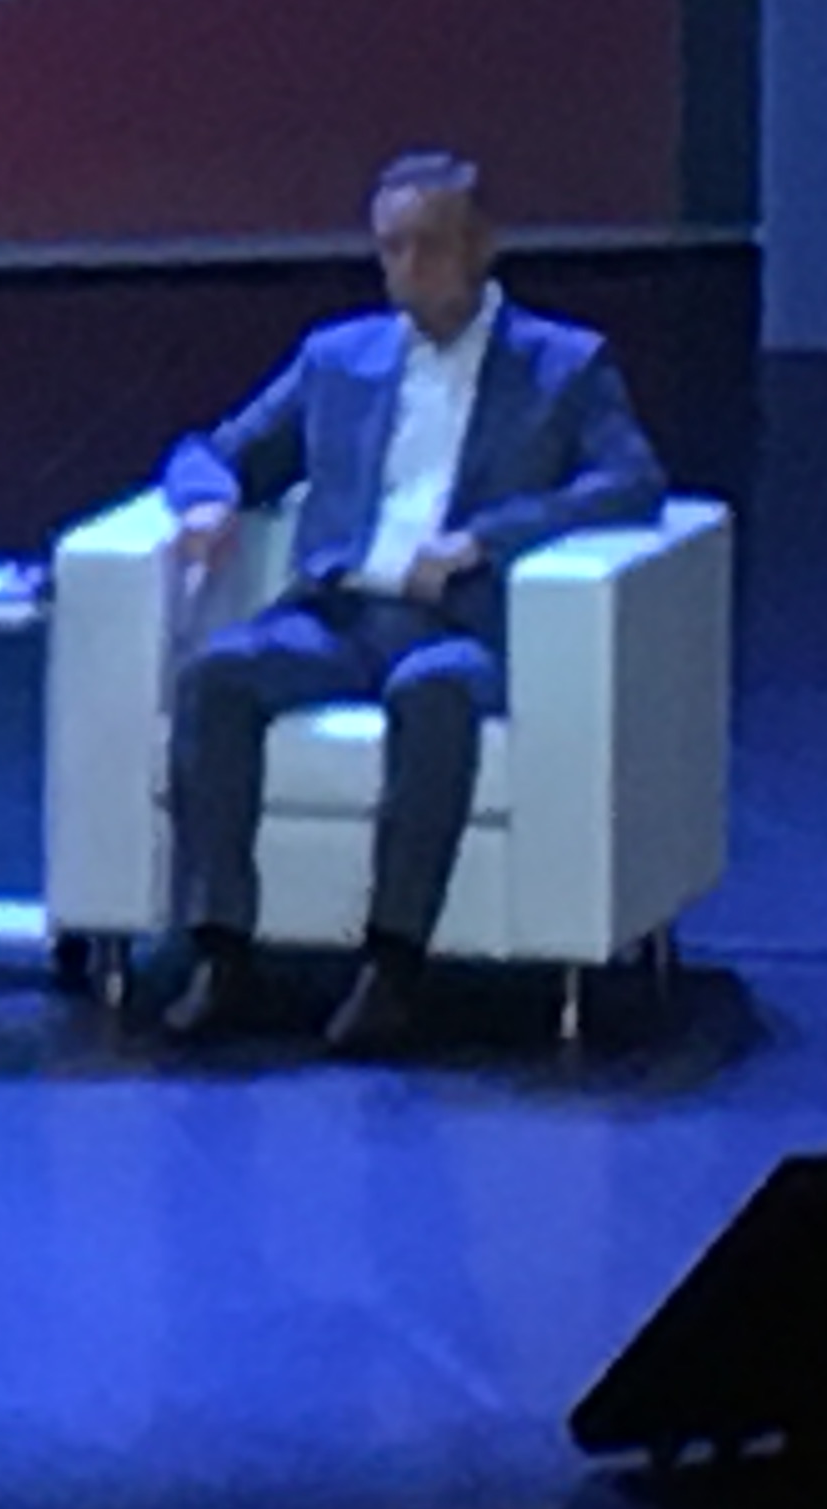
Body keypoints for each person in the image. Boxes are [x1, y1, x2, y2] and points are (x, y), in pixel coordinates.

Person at [157, 152, 666, 1056]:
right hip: (339, 614)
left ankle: (393, 965)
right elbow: (215, 451)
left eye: (429, 246)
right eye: (391, 248)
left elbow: (631, 481)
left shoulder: (563, 365)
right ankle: (221, 948)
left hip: (455, 623)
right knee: (219, 675)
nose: (408, 268)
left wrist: (487, 538)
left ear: (481, 246)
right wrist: (207, 500)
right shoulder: (337, 359)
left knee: (434, 694)